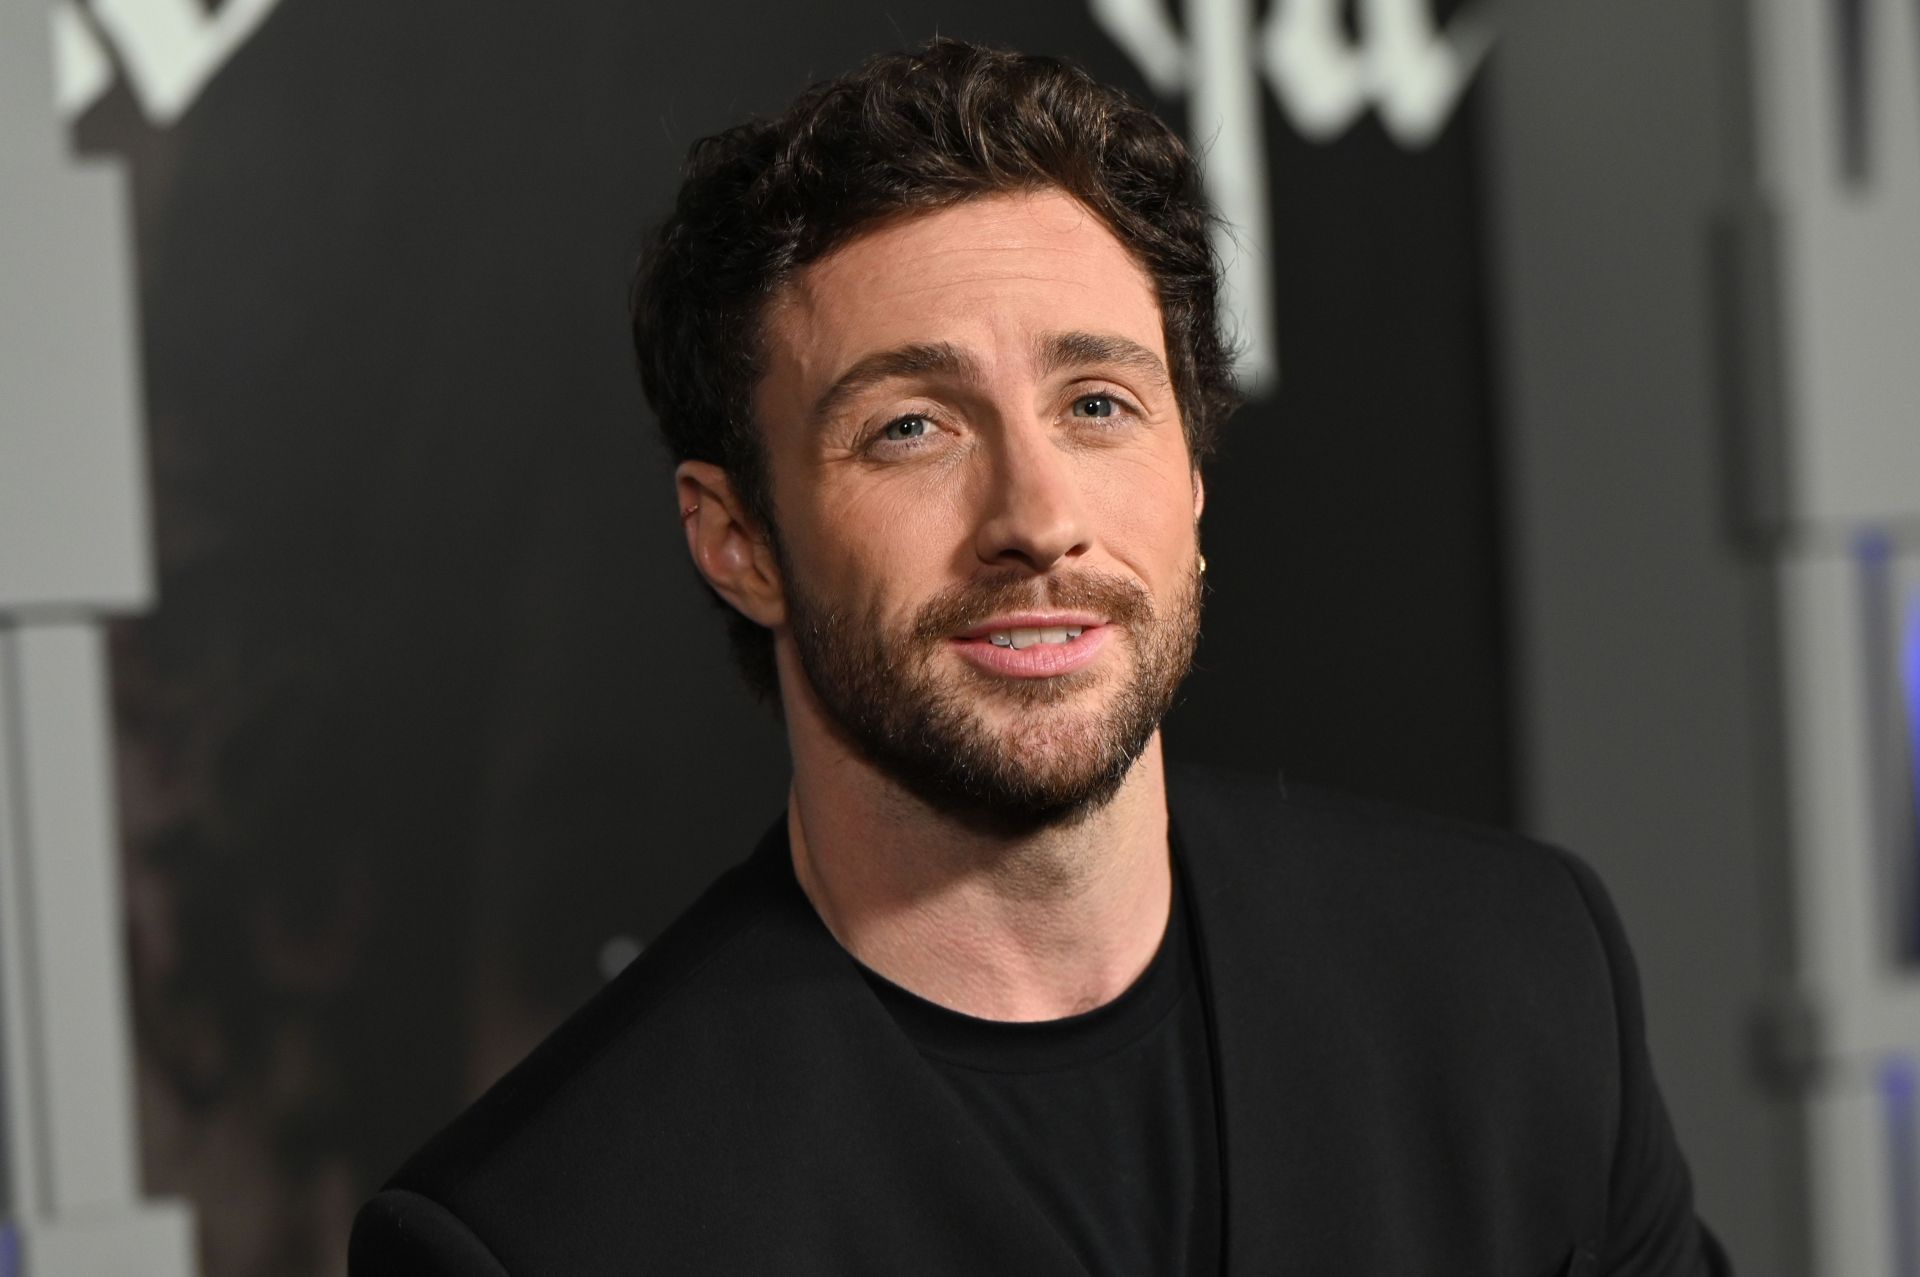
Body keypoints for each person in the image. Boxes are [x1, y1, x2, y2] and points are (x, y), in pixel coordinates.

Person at [349, 38, 1729, 1276]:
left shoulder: (1517, 985)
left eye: (1099, 402)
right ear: (738, 539)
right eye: (911, 427)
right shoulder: (544, 1233)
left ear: (1191, 471)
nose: (1037, 520)